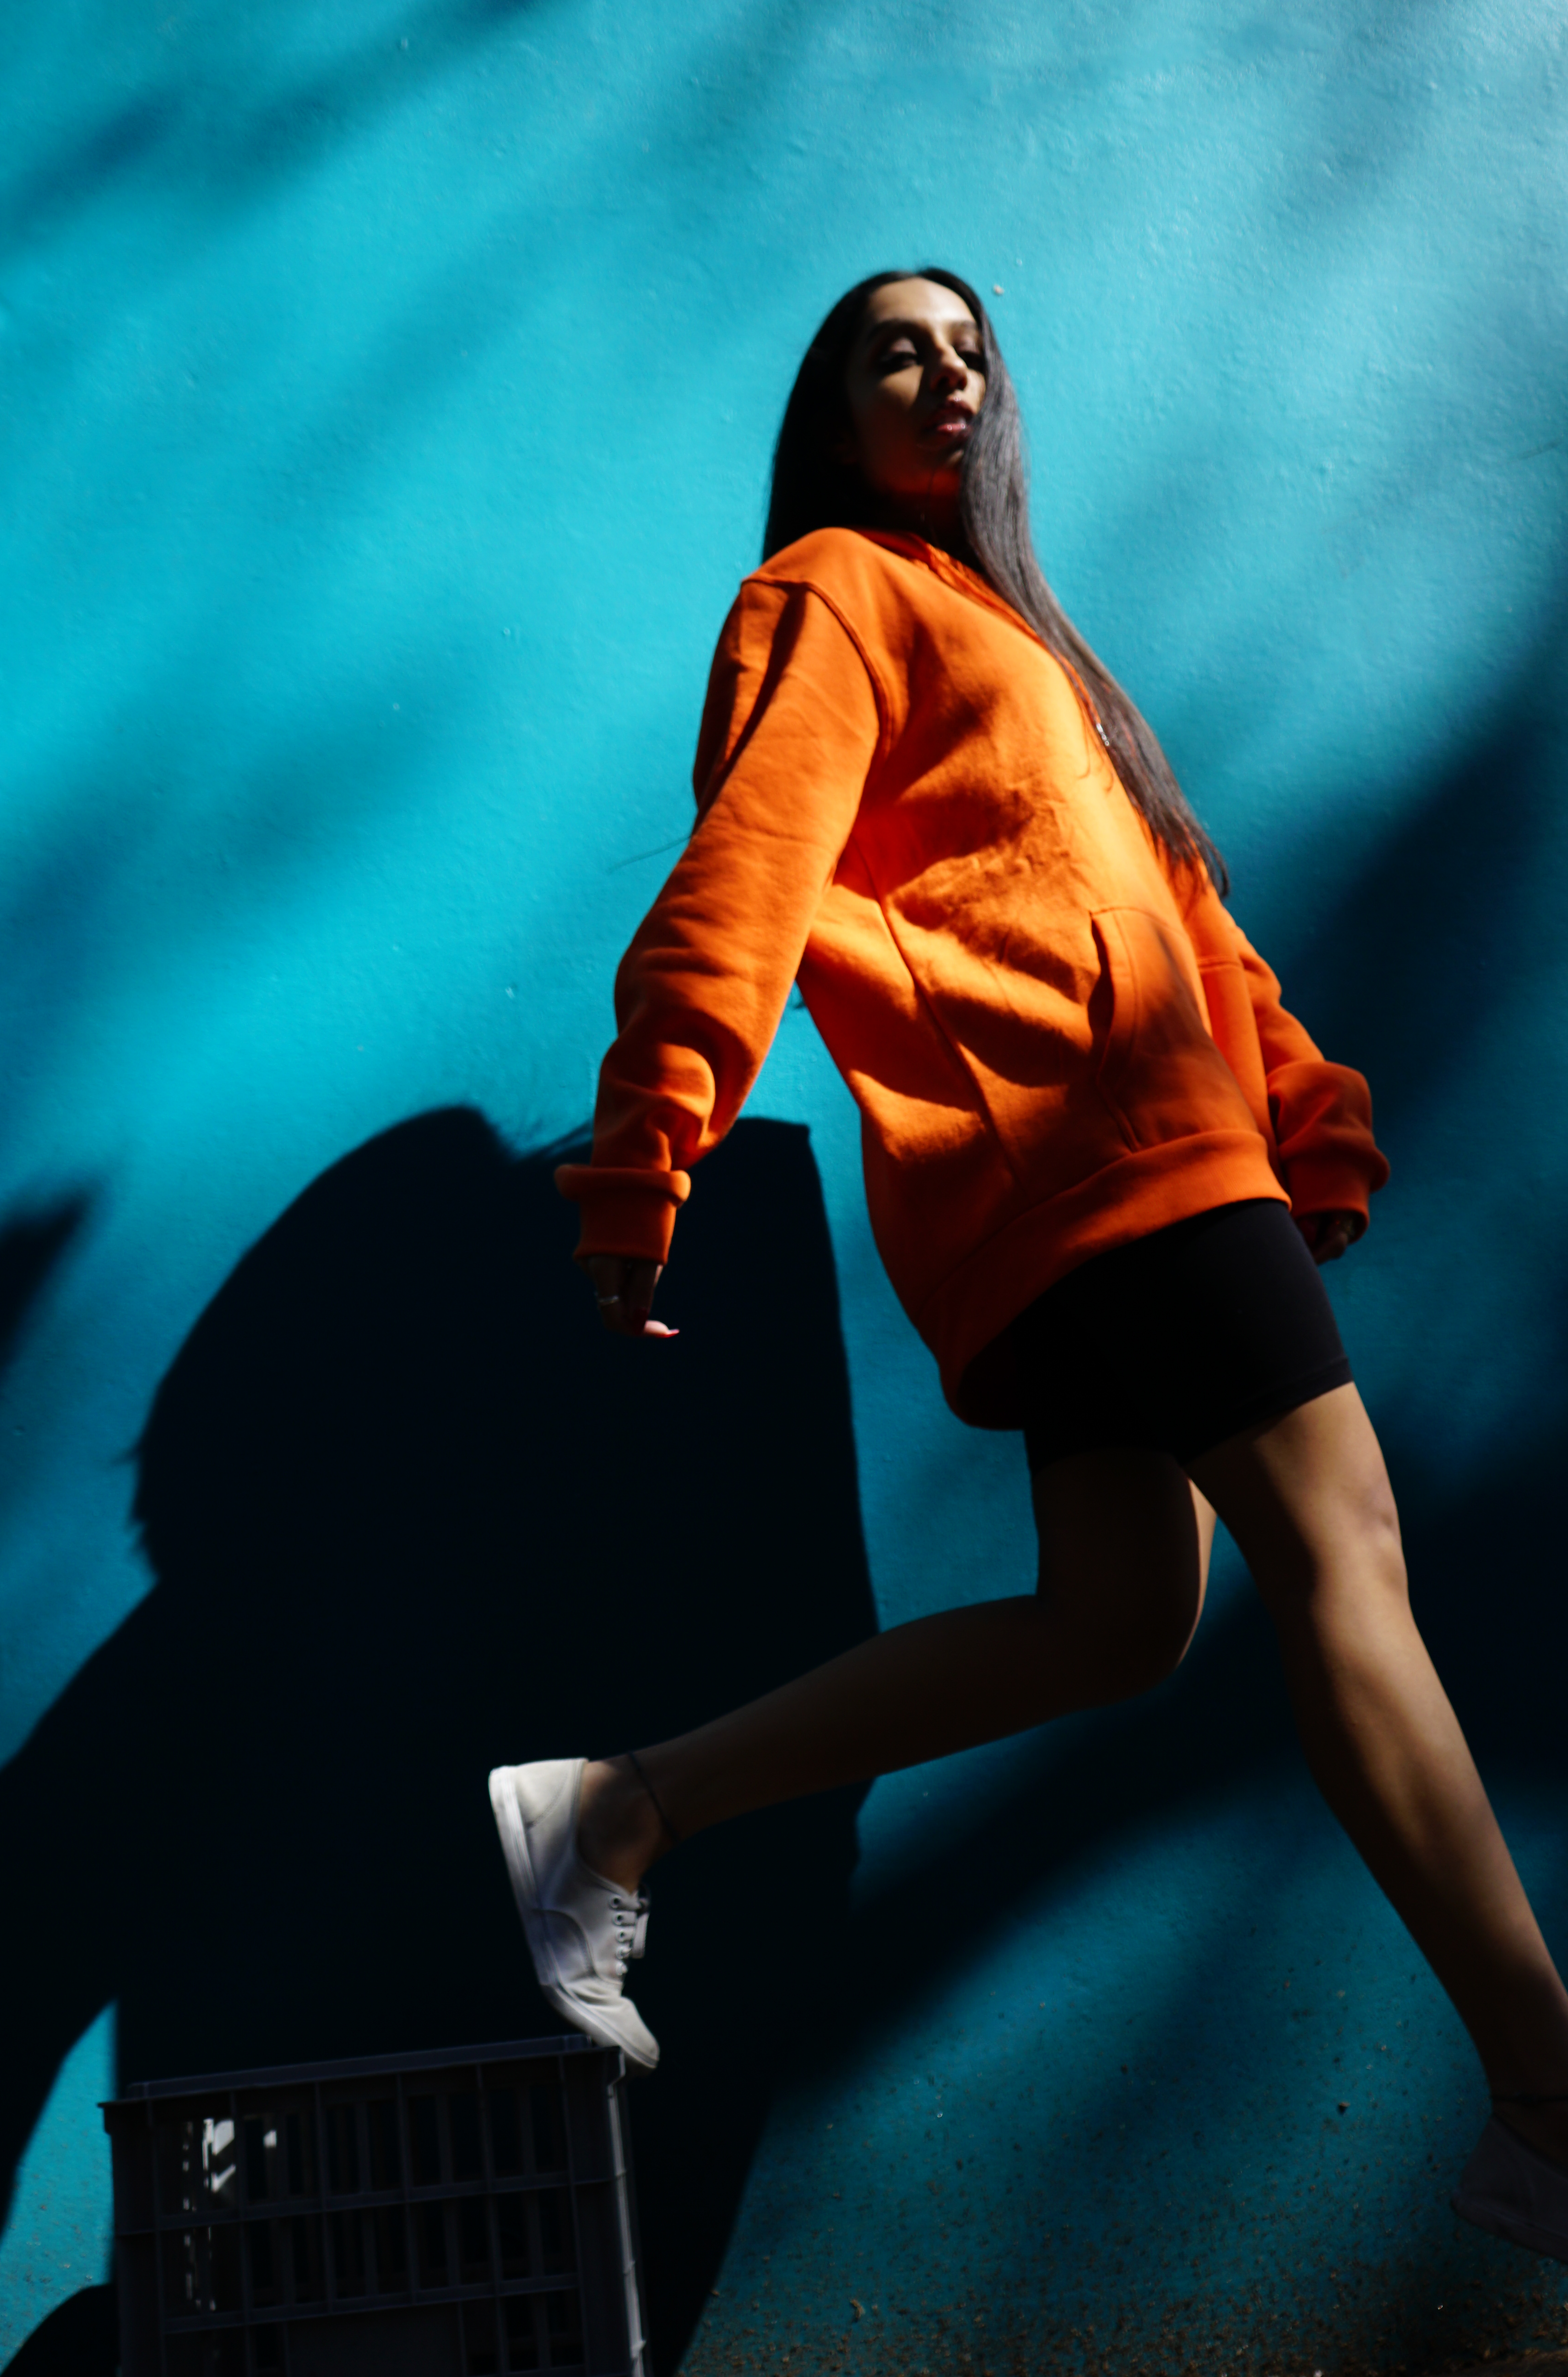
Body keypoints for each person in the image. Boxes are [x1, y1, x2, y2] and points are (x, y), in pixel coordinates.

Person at [487, 268, 1568, 2262]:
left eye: (973, 350)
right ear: (830, 410)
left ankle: (621, 1807)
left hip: (1142, 1161)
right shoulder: (830, 589)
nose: (949, 375)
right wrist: (650, 1149)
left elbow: (1181, 912)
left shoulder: (1031, 644)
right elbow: (746, 873)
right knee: (1347, 1551)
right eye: (898, 349)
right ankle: (1550, 2093)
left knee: (1117, 1622)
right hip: (1097, 1159)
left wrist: (1304, 1108)